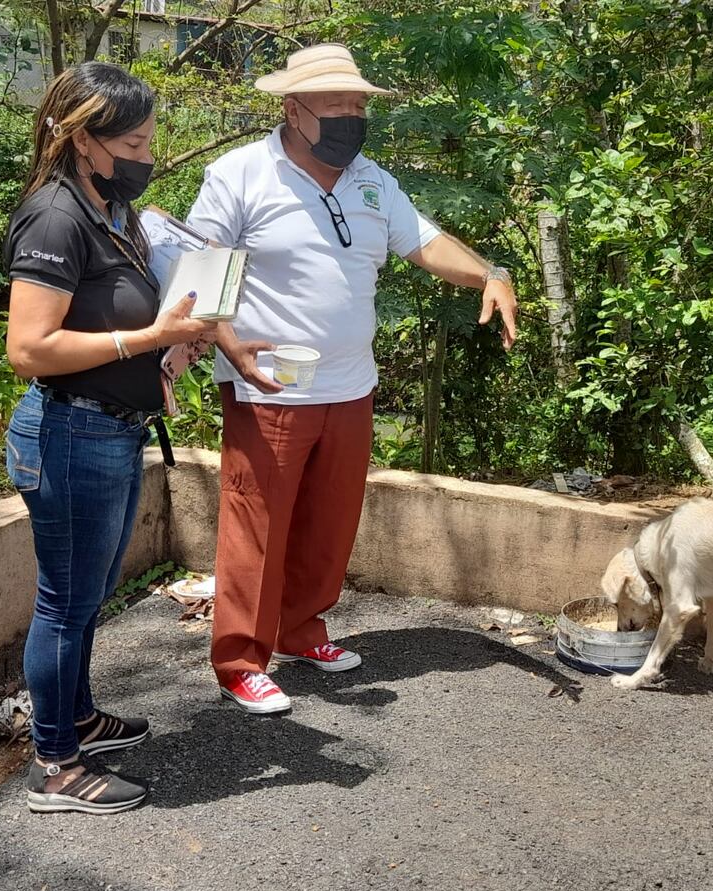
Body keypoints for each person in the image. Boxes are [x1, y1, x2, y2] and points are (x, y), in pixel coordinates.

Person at [187, 44, 519, 714]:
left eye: (359, 104)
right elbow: (199, 268)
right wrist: (225, 343)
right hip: (269, 383)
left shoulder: (372, 180)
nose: (352, 116)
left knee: (329, 524)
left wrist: (489, 272)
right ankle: (240, 660)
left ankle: (301, 630)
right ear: (293, 109)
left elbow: (425, 241)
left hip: (350, 385)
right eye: (337, 103)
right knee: (258, 528)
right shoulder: (241, 174)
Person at [4, 62, 218, 814]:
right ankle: (56, 765)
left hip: (112, 431)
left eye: (150, 137)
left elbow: (117, 319)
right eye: (132, 139)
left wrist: (174, 344)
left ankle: (80, 717)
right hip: (69, 432)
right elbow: (29, 349)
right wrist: (148, 336)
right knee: (65, 600)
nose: (146, 152)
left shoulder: (112, 212)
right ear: (82, 139)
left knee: (89, 593)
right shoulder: (55, 217)